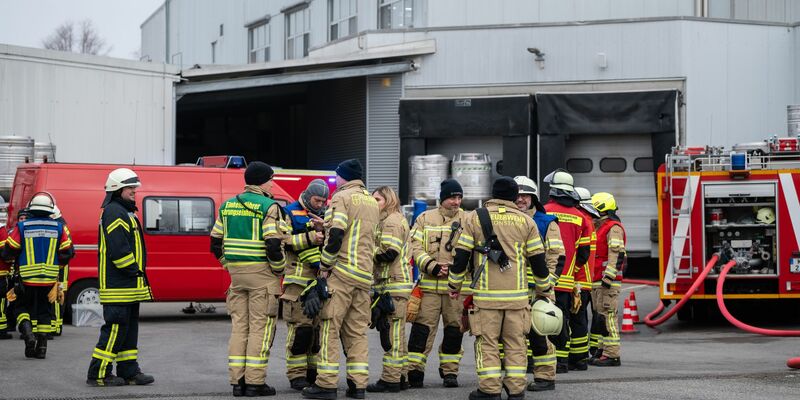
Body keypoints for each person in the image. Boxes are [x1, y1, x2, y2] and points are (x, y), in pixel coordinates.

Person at [448, 177, 551, 400]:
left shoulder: (475, 218)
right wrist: (544, 290)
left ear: (492, 195)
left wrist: (454, 284)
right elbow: (539, 262)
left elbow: (461, 256)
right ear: (514, 196)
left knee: (488, 344)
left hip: (486, 299)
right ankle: (515, 390)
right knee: (516, 344)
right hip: (518, 299)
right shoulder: (526, 222)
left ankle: (489, 390)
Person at [302, 159, 379, 400]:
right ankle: (358, 386)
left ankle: (326, 385)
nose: (335, 181)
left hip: (342, 272)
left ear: (343, 177)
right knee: (357, 331)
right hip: (364, 274)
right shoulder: (371, 201)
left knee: (329, 328)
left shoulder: (341, 197)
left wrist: (325, 265)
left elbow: (337, 234)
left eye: (336, 177)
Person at [210, 161, 287, 397]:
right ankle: (255, 383)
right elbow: (273, 244)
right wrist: (279, 269)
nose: (273, 184)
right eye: (271, 180)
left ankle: (237, 383)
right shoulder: (269, 206)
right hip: (262, 275)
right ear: (263, 181)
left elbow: (215, 243)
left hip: (236, 276)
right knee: (259, 330)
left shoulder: (227, 206)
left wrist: (228, 265)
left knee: (239, 328)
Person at [85, 169, 153, 386]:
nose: (135, 191)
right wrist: (134, 269)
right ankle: (98, 374)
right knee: (115, 328)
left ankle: (129, 371)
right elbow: (119, 250)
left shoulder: (125, 211)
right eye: (130, 188)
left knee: (128, 330)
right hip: (118, 285)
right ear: (117, 189)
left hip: (128, 286)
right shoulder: (114, 211)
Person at [406, 179, 469, 389]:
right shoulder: (425, 218)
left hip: (456, 290)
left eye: (459, 197)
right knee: (421, 331)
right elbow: (414, 246)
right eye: (452, 197)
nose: (456, 202)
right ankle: (414, 371)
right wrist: (432, 266)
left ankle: (450, 372)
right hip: (430, 288)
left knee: (454, 331)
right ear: (443, 198)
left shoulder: (469, 219)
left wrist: (456, 269)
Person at [3, 193, 73, 359]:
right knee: (44, 311)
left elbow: (9, 249)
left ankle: (28, 335)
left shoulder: (23, 226)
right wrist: (56, 266)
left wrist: (14, 260)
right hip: (48, 279)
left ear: (31, 209)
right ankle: (41, 348)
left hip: (26, 278)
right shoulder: (59, 227)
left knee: (20, 307)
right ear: (50, 210)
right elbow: (68, 252)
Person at [513, 176, 565, 392]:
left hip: (538, 290)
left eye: (525, 195)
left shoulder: (546, 222)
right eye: (517, 195)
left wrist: (547, 286)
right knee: (512, 335)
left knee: (539, 335)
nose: (520, 199)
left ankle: (545, 378)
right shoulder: (507, 221)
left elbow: (557, 257)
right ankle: (514, 377)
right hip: (512, 291)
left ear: (533, 197)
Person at [542, 169, 592, 374]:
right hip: (566, 282)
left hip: (543, 279)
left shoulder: (543, 212)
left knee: (541, 320)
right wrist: (571, 271)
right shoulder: (581, 218)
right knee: (563, 320)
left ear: (553, 190)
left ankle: (546, 359)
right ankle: (563, 362)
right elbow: (584, 254)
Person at [281, 179, 329, 390]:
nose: (320, 205)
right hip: (297, 284)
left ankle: (312, 372)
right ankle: (296, 375)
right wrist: (311, 237)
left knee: (316, 330)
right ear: (308, 195)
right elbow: (283, 240)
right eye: (317, 200)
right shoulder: (288, 212)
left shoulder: (325, 215)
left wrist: (324, 230)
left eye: (323, 201)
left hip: (319, 283)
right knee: (301, 330)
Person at [367, 186, 412, 393]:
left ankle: (391, 379)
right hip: (392, 284)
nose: (374, 202)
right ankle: (401, 376)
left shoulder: (392, 221)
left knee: (392, 333)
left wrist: (365, 249)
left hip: (393, 284)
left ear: (389, 200)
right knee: (398, 334)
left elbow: (389, 254)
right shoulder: (386, 220)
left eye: (377, 199)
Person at [589, 192, 626, 367]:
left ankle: (612, 355)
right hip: (597, 280)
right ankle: (602, 351)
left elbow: (617, 254)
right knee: (601, 318)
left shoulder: (613, 228)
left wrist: (608, 277)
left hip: (606, 282)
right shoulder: (599, 226)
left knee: (608, 317)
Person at [566, 187, 597, 371]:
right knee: (580, 319)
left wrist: (571, 271)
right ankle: (581, 356)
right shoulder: (589, 221)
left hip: (578, 279)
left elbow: (581, 253)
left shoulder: (582, 220)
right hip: (585, 280)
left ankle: (577, 358)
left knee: (576, 320)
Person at [50, 205, 70, 337]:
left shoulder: (59, 227)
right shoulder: (62, 226)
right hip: (62, 267)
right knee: (59, 294)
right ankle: (57, 326)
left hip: (59, 267)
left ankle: (55, 327)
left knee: (57, 294)